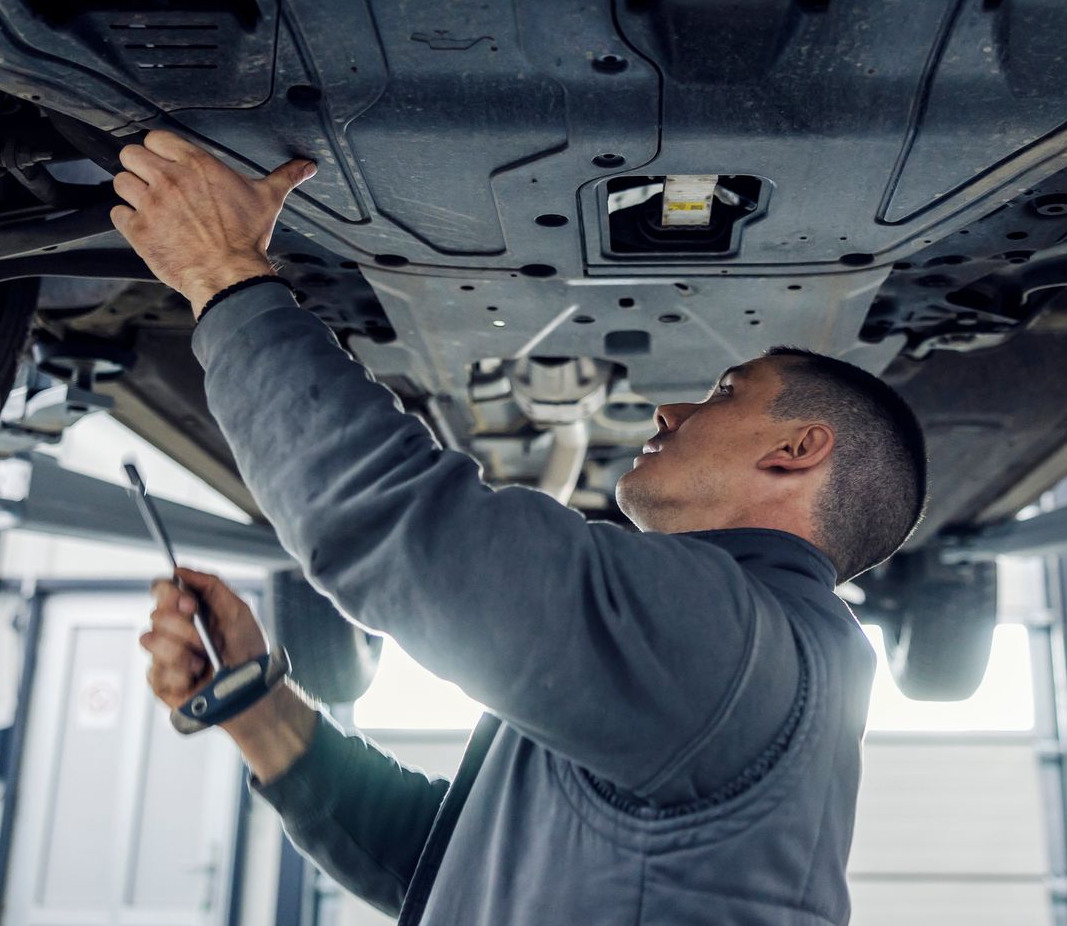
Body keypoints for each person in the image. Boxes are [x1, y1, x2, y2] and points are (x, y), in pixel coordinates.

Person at [110, 130, 930, 925]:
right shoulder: (751, 660)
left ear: (797, 449)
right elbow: (458, 866)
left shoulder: (739, 650)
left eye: (724, 392)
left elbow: (408, 531)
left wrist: (223, 274)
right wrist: (260, 711)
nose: (669, 407)